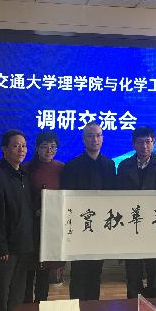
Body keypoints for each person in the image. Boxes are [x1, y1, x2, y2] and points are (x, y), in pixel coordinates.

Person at [116, 126, 156, 298]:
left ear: (154, 143)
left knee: (154, 272)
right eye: (140, 142)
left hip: (154, 227)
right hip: (131, 226)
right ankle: (133, 307)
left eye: (148, 142)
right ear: (134, 144)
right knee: (132, 272)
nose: (144, 146)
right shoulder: (124, 166)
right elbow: (118, 196)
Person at [61, 122, 116, 300]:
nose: (95, 139)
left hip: (100, 228)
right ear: (84, 139)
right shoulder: (71, 166)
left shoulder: (109, 165)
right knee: (78, 273)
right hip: (78, 229)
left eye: (98, 135)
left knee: (95, 272)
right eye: (90, 136)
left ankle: (93, 310)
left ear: (102, 138)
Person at [0, 129, 35, 311]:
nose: (21, 150)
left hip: (23, 245)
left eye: (24, 146)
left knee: (17, 295)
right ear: (4, 149)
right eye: (16, 146)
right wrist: (1, 246)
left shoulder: (24, 174)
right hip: (5, 249)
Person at [22, 130, 64, 303]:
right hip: (31, 227)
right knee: (27, 272)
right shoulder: (26, 169)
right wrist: (36, 210)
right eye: (45, 146)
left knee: (44, 273)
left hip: (51, 227)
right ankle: (26, 309)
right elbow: (22, 198)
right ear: (37, 148)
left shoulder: (61, 168)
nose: (49, 150)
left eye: (53, 147)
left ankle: (41, 308)